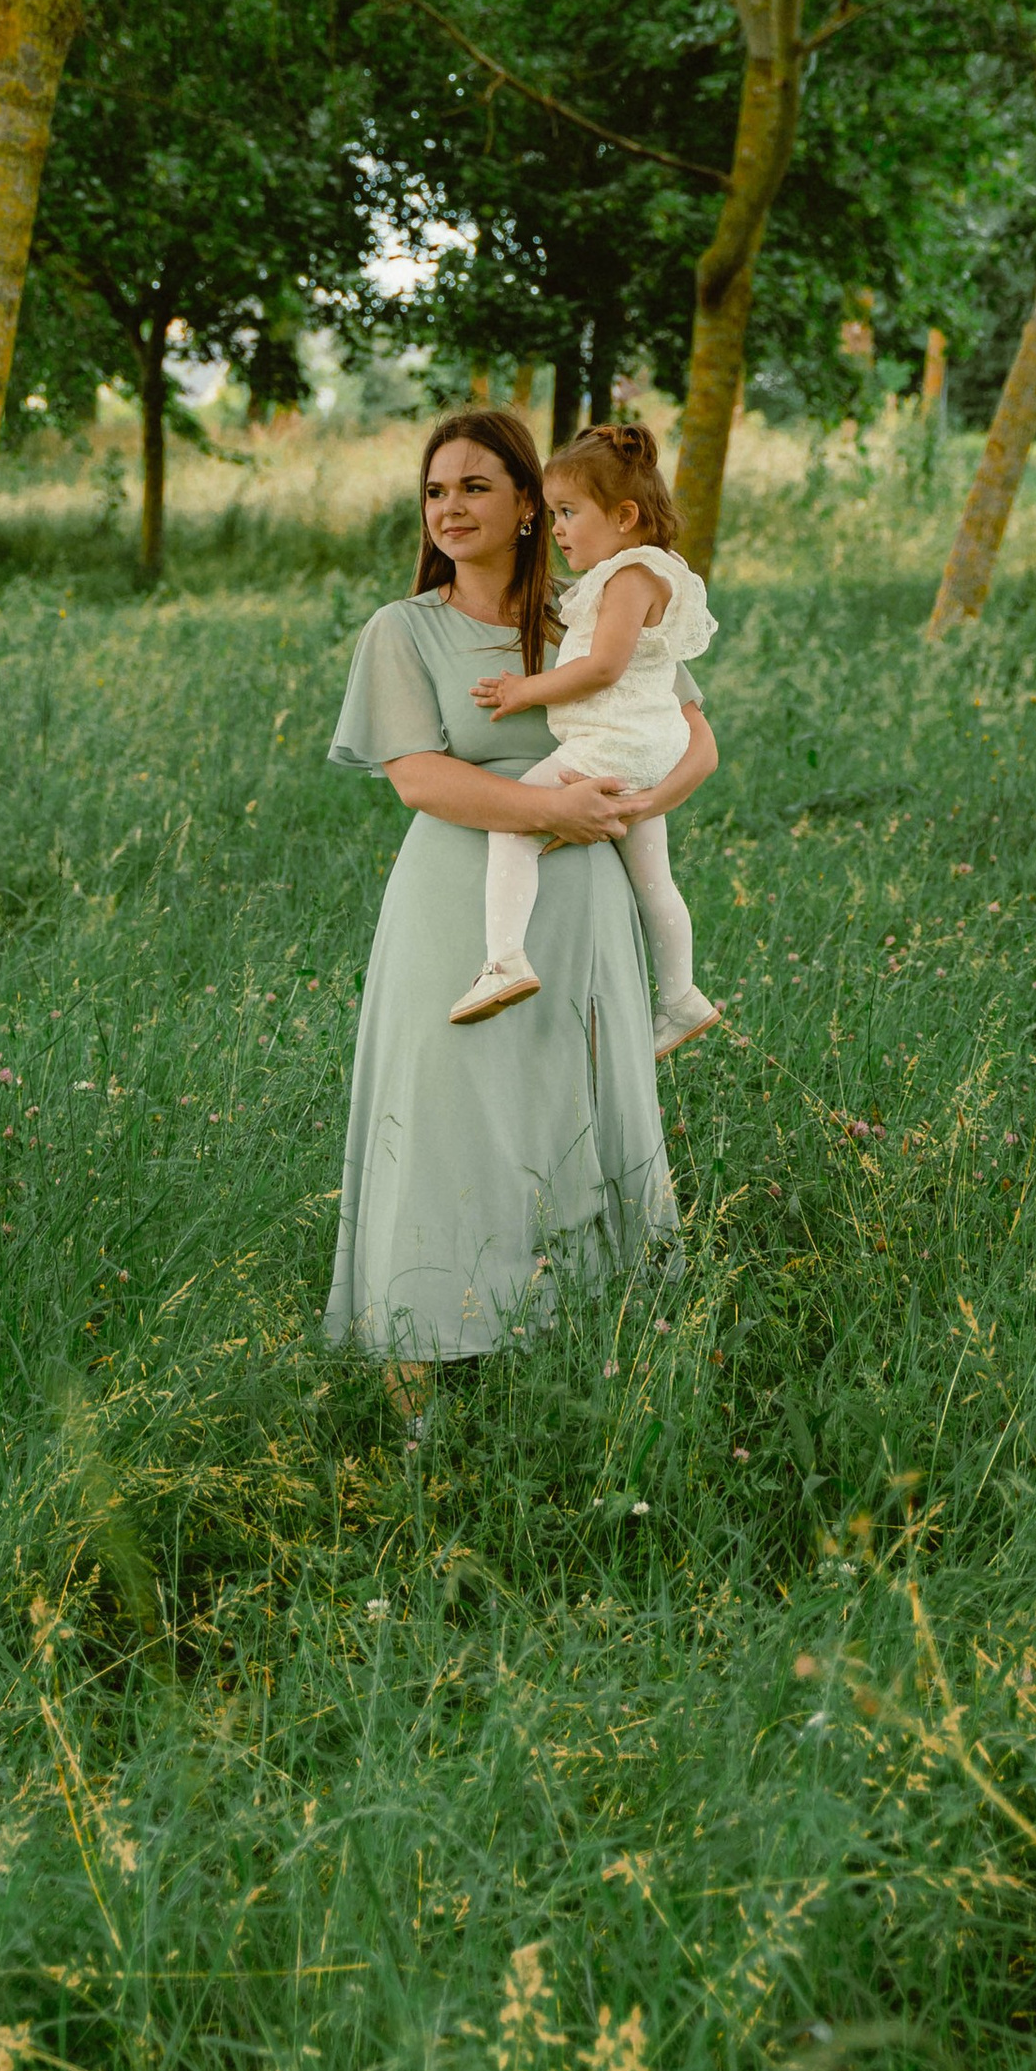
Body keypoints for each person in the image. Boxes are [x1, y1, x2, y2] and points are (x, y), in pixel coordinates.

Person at [323, 407, 716, 1409]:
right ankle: (419, 1405)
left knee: (578, 1123)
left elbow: (695, 743)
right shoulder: (402, 631)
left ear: (534, 509)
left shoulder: (588, 622)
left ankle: (591, 1380)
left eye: (474, 488)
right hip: (455, 910)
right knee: (446, 1134)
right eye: (433, 491)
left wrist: (626, 806)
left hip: (584, 911)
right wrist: (551, 805)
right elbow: (418, 779)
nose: (448, 508)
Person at [453, 420, 720, 1051]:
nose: (558, 529)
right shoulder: (650, 572)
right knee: (655, 880)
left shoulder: (628, 576)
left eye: (569, 512)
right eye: (552, 515)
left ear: (625, 515)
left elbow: (603, 667)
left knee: (513, 824)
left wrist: (524, 690)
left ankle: (505, 961)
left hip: (613, 742)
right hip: (650, 750)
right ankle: (681, 997)